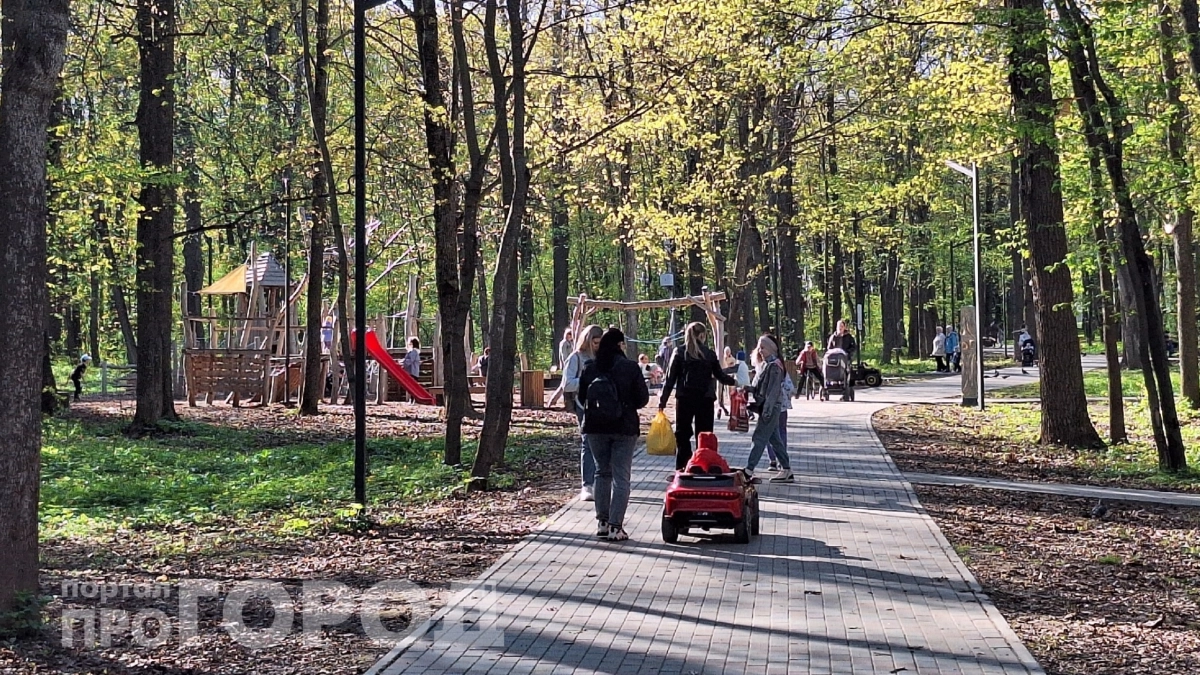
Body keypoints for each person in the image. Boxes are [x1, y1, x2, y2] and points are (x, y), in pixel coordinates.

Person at [580, 328, 650, 541]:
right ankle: (615, 526)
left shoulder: (590, 367)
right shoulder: (630, 367)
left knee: (601, 472)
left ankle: (601, 522)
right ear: (620, 345)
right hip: (624, 428)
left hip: (594, 427)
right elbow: (642, 400)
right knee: (621, 478)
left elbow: (582, 396)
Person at [658, 322, 738, 470]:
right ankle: (705, 465)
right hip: (706, 399)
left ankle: (683, 467)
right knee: (705, 435)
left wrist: (662, 401)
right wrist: (735, 382)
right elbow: (720, 376)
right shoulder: (709, 354)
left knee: (683, 435)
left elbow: (670, 379)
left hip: (684, 398)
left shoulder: (679, 352)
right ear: (702, 335)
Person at [742, 335, 794, 483]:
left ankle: (748, 470)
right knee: (775, 439)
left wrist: (767, 411)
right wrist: (747, 388)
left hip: (770, 408)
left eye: (763, 347)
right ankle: (786, 469)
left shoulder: (775, 366)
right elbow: (761, 388)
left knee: (759, 437)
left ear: (772, 349)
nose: (760, 350)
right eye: (759, 347)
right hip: (767, 407)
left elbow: (773, 392)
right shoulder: (766, 365)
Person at [563, 325, 604, 501]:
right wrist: (586, 381)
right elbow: (567, 384)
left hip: (603, 405)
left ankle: (601, 482)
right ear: (587, 340)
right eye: (595, 342)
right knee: (587, 443)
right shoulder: (576, 358)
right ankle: (587, 485)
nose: (597, 346)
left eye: (600, 343)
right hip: (583, 404)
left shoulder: (605, 357)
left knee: (603, 443)